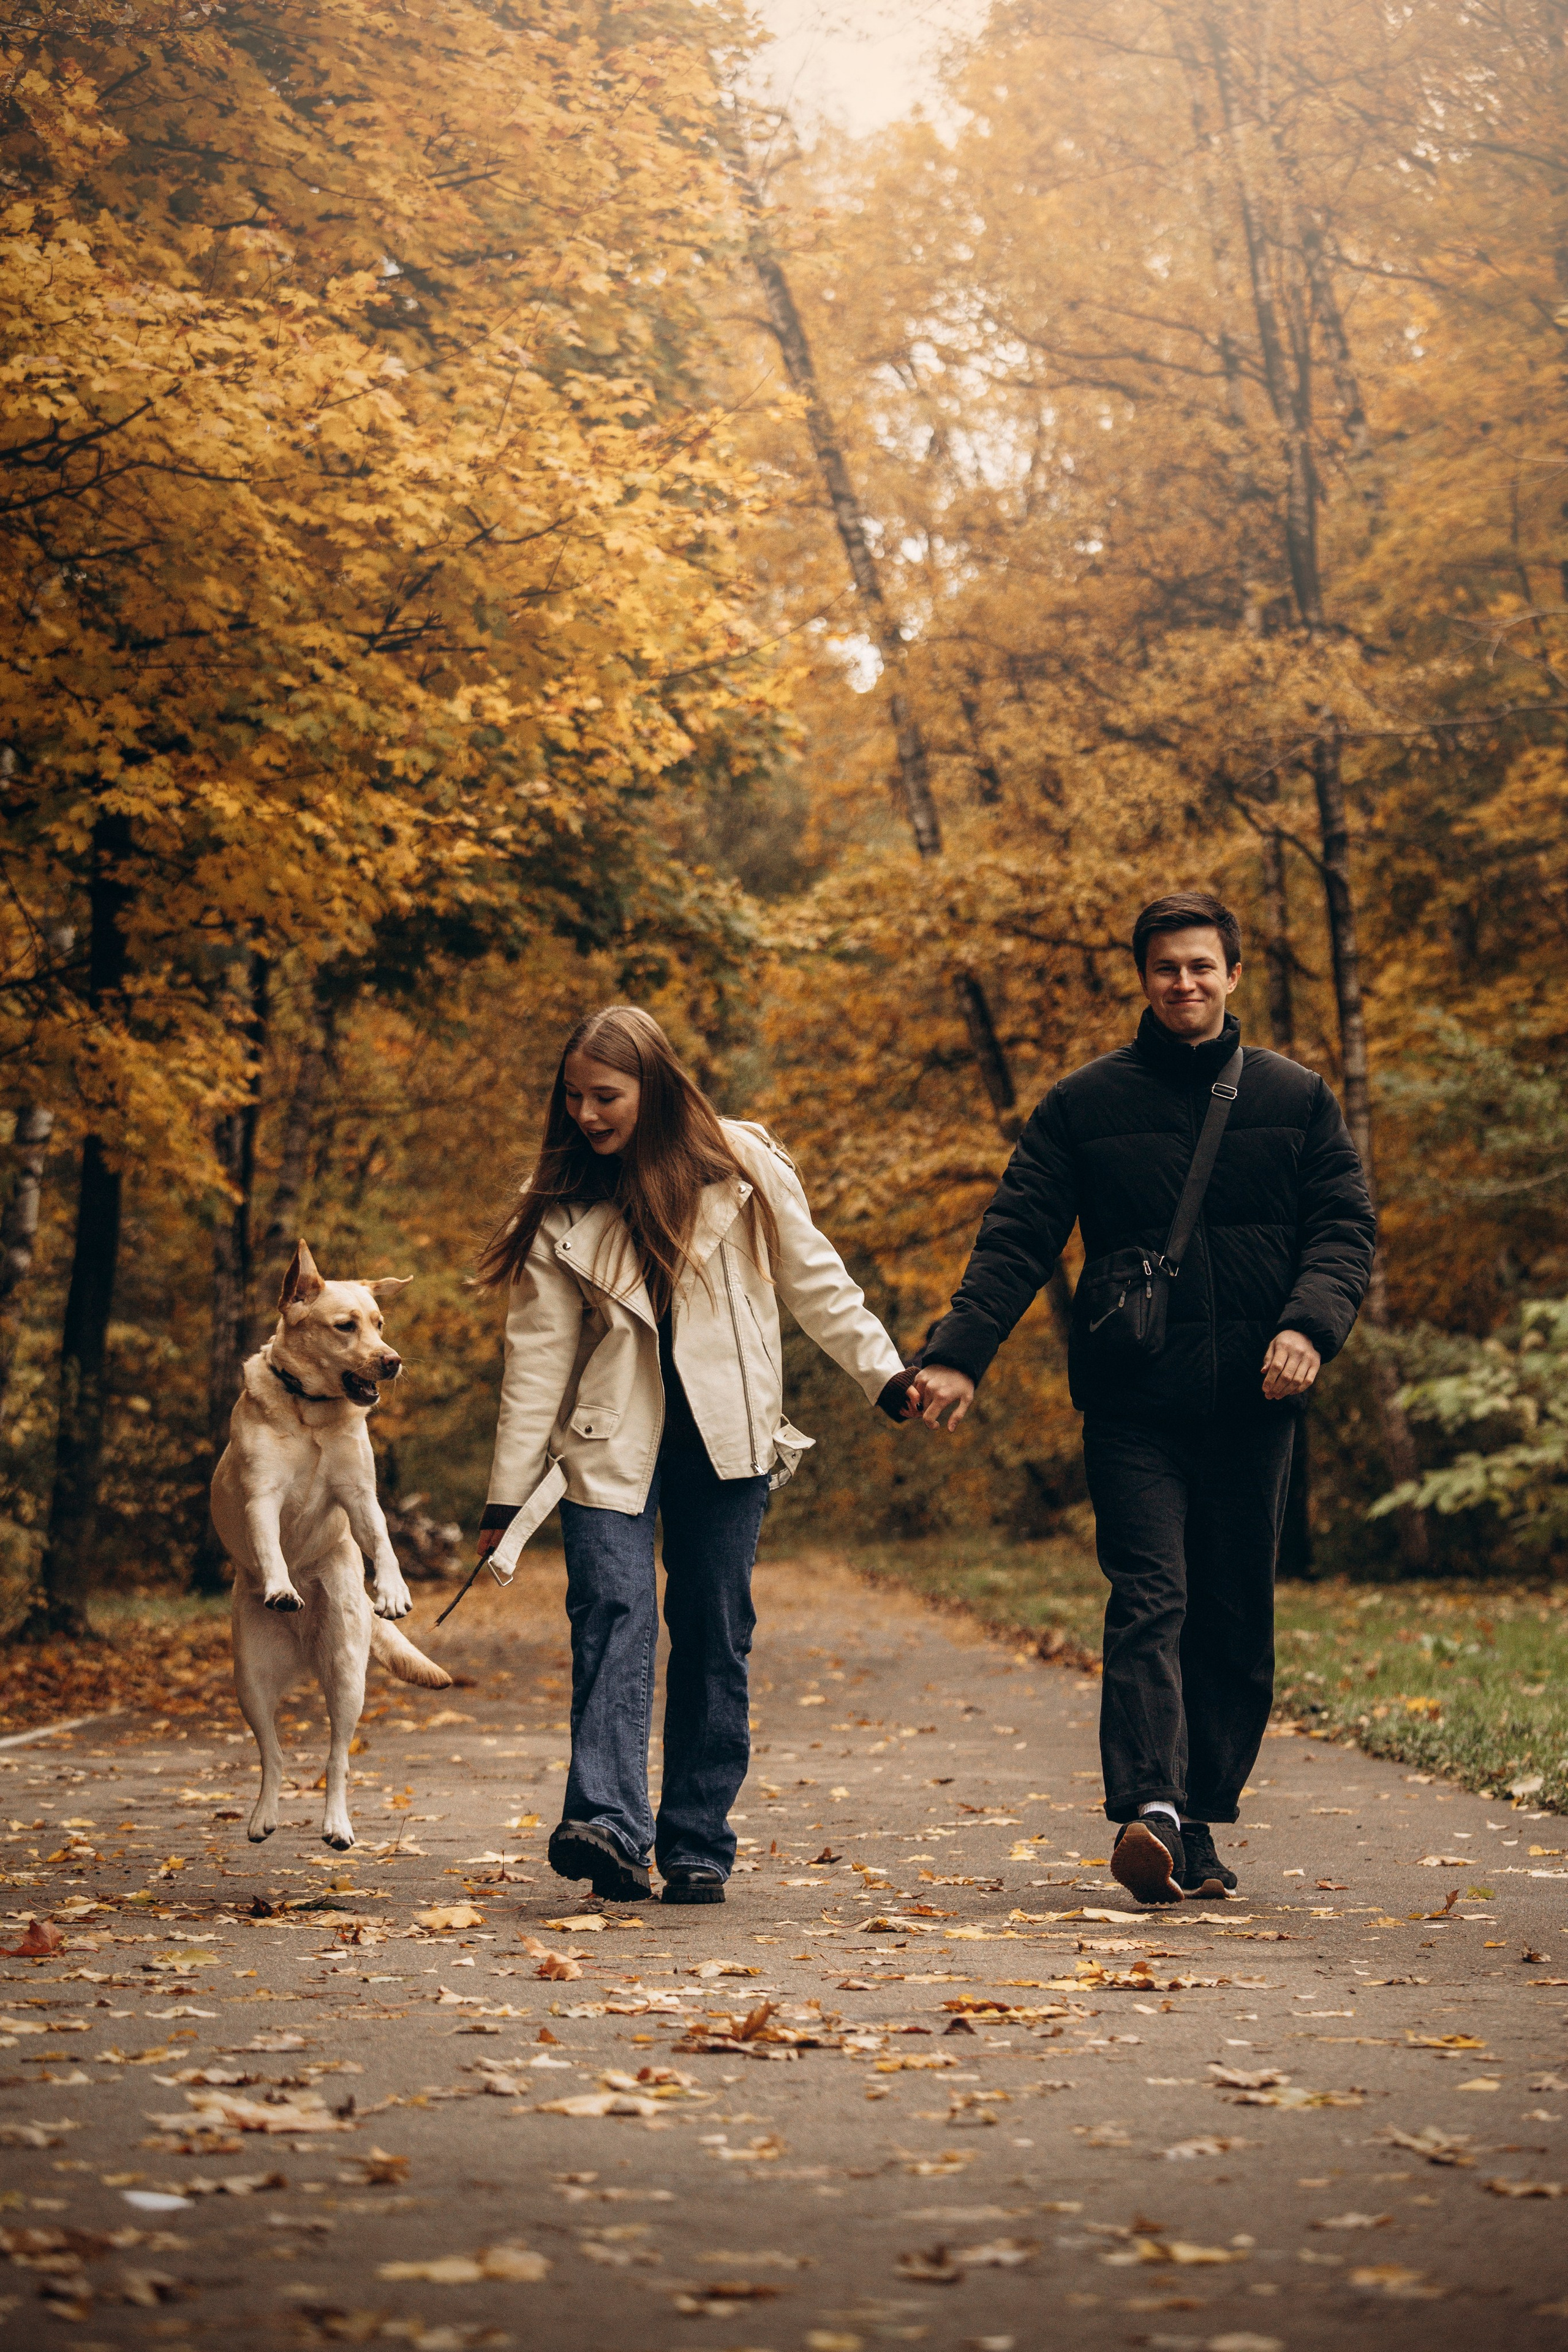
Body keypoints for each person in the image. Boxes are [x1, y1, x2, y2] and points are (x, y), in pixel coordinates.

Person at [908, 892, 1376, 1905]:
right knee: (1152, 1596)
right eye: (1167, 968)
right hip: (1134, 1403)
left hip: (1256, 1401)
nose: (1185, 984)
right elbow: (1017, 1235)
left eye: (1203, 967)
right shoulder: (1085, 1104)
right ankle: (1152, 1807)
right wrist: (958, 1354)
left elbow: (1344, 1228)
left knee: (1235, 1613)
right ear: (1144, 978)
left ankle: (1198, 1819)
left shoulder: (1297, 1099)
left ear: (1234, 975)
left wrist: (1307, 1327)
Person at [473, 1005, 914, 1907]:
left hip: (731, 1438)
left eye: (607, 1096)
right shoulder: (559, 1195)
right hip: (611, 1442)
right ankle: (609, 1825)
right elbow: (539, 1360)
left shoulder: (744, 1162)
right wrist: (505, 1500)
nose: (588, 1115)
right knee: (612, 1611)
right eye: (574, 1097)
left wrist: (889, 1377)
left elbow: (818, 1284)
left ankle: (698, 1839)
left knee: (715, 1632)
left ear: (655, 1086)